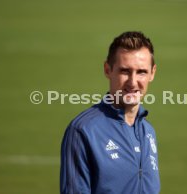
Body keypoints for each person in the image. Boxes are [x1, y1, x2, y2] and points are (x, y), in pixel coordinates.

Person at [60, 31, 160, 194]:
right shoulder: (83, 130)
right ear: (108, 70)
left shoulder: (147, 131)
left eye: (141, 72)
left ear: (152, 73)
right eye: (124, 71)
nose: (132, 82)